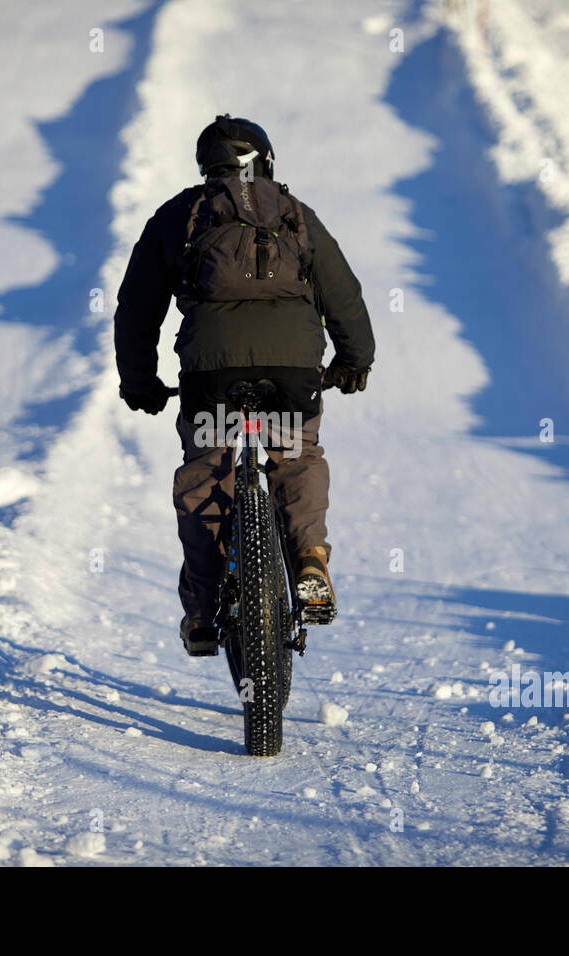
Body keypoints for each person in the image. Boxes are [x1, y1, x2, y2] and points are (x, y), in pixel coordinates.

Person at [113, 114, 375, 657]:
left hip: (212, 374)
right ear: (266, 160)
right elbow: (343, 293)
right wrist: (354, 361)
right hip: (293, 370)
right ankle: (310, 560)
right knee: (297, 456)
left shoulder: (179, 214)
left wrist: (140, 381)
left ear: (207, 166)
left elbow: (136, 308)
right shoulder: (295, 213)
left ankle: (204, 610)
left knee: (207, 475)